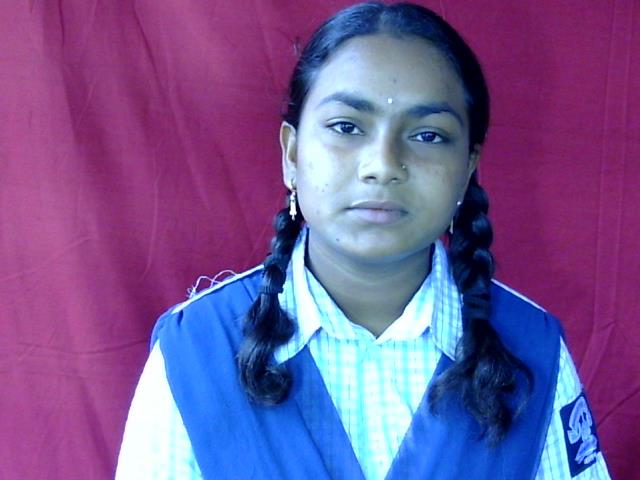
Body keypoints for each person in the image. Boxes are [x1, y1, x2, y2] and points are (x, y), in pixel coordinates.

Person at [116, 2, 611, 479]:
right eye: (347, 127)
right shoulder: (198, 352)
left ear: (468, 168)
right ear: (292, 155)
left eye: (428, 135)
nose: (382, 165)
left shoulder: (531, 351)